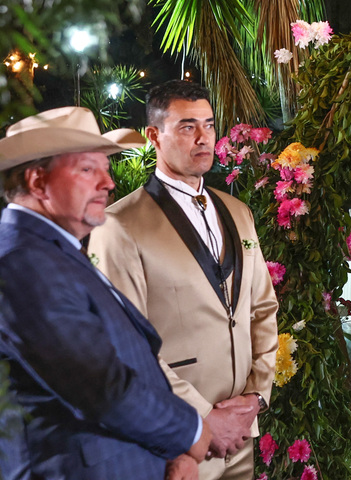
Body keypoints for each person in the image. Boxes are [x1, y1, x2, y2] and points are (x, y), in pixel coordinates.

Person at [0, 106, 212, 480]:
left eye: (105, 168)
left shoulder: (51, 251)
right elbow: (102, 388)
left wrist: (169, 455)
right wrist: (191, 432)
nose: (108, 183)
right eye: (87, 169)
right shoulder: (24, 261)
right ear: (37, 182)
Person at [90, 82, 279, 480]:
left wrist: (256, 396)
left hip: (241, 432)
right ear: (154, 135)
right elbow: (128, 344)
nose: (203, 138)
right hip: (177, 440)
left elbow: (262, 307)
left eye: (208, 125)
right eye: (187, 126)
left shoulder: (238, 212)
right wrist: (205, 416)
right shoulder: (119, 225)